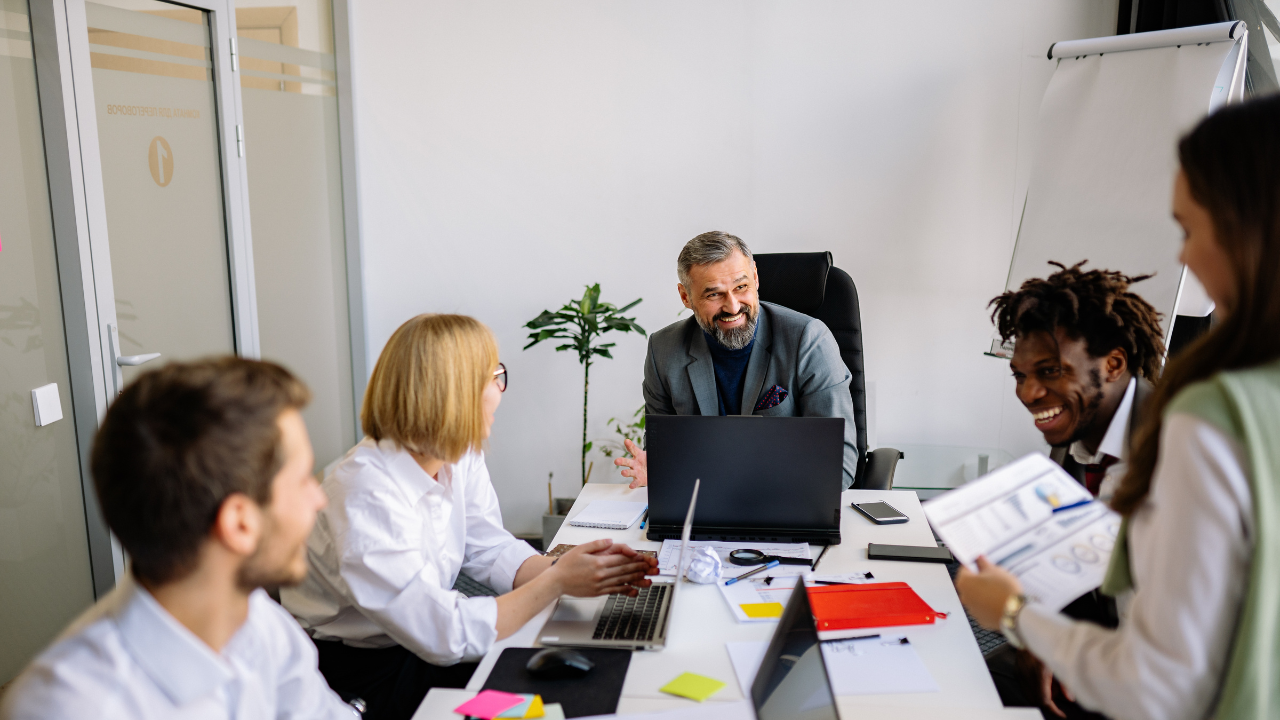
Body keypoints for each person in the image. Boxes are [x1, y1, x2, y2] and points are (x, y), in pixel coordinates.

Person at [957, 95, 1280, 720]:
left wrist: (1016, 617)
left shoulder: (1204, 419)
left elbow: (1158, 682)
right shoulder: (1084, 439)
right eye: (1020, 375)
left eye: (1190, 229)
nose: (1182, 257)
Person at [282, 314, 658, 720]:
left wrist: (568, 568)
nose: (501, 389)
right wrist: (557, 581)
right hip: (364, 675)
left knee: (590, 686)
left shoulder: (458, 452)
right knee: (559, 703)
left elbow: (488, 546)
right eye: (493, 376)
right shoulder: (363, 495)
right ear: (451, 392)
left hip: (425, 641)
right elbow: (444, 633)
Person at [0, 358, 356, 720]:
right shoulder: (71, 708)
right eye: (301, 481)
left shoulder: (257, 623)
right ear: (239, 524)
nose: (319, 498)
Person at [984, 262, 1166, 719]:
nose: (1028, 393)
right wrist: (1042, 637)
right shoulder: (1076, 441)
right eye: (1019, 376)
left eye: (1048, 371)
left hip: (1169, 680)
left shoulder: (1178, 449)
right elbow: (1072, 561)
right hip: (1102, 643)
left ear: (1114, 364)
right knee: (971, 679)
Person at [615, 230, 860, 489]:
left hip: (787, 503)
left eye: (741, 287)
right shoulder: (663, 350)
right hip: (702, 507)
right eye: (714, 294)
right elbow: (664, 454)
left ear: (755, 277)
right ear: (686, 297)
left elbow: (837, 463)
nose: (733, 307)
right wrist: (657, 468)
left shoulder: (810, 340)